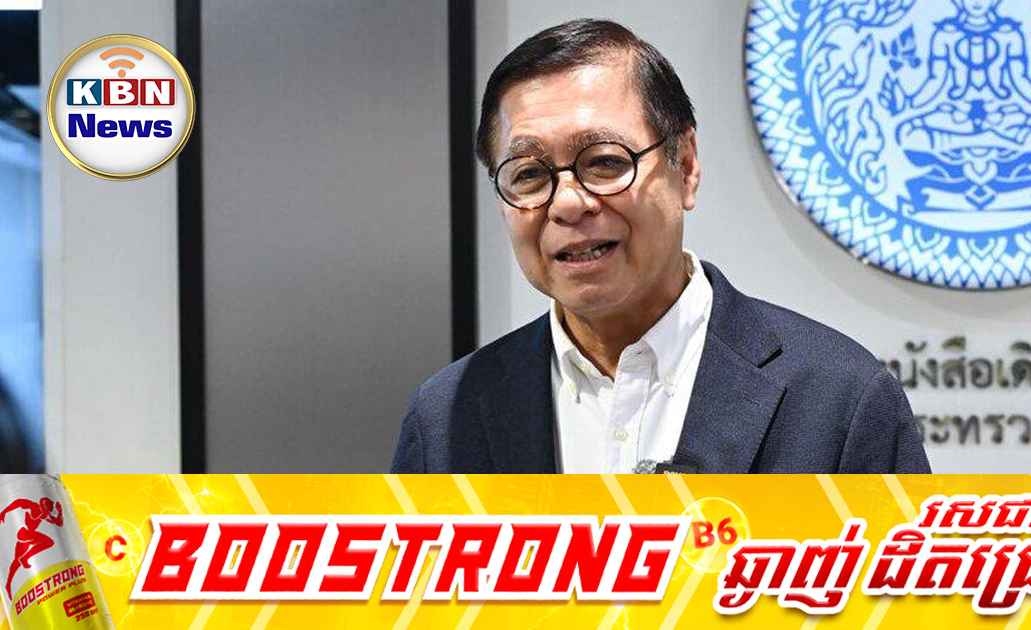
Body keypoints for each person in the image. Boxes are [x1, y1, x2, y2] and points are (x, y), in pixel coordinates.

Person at [390, 19, 930, 474]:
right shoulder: (446, 419)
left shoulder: (839, 397)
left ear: (686, 165)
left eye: (605, 162)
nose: (568, 203)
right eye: (528, 174)